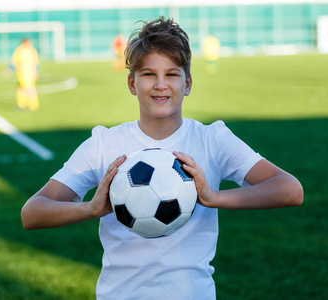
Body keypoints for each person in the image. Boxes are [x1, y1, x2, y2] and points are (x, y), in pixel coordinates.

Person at [21, 17, 303, 299]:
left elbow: (290, 190)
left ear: (188, 83)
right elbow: (32, 213)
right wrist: (91, 209)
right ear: (132, 83)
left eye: (171, 74)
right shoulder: (104, 145)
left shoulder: (212, 140)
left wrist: (214, 198)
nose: (160, 85)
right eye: (148, 74)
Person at [4, 38, 40, 111]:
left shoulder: (20, 50)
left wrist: (9, 70)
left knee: (29, 88)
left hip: (25, 73)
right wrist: (36, 72)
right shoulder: (32, 50)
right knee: (20, 87)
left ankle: (33, 106)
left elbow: (14, 62)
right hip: (26, 72)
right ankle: (22, 105)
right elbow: (36, 63)